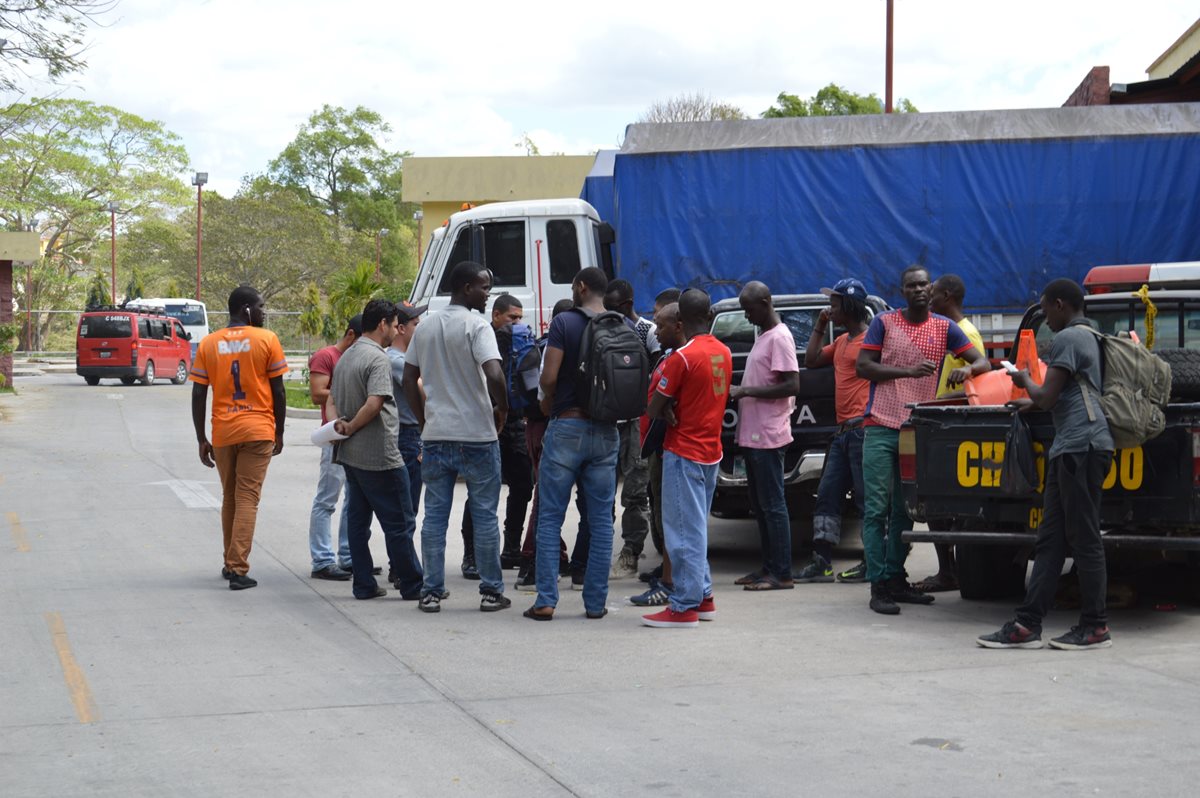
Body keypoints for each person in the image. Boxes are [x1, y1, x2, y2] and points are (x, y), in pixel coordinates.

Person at [978, 278, 1115, 650]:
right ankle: (1027, 624)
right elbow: (1064, 393)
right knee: (1051, 539)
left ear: (1059, 305)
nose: (1045, 321)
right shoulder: (1091, 335)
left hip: (1081, 448)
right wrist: (1033, 400)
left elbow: (1047, 396)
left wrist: (1024, 380)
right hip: (1072, 448)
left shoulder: (1069, 338)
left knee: (1085, 539)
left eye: (1044, 311)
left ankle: (1095, 626)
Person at [856, 265, 988, 614]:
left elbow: (983, 361)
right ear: (902, 290)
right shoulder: (884, 322)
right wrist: (908, 372)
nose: (918, 289)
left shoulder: (945, 328)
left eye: (923, 284)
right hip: (880, 425)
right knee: (877, 510)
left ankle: (895, 578)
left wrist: (968, 369)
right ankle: (878, 585)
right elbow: (863, 366)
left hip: (915, 429)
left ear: (931, 289)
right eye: (911, 285)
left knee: (906, 510)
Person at [404, 261, 512, 614]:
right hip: (477, 435)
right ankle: (491, 592)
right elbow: (494, 372)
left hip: (437, 435)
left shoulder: (426, 327)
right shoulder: (477, 326)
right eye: (484, 287)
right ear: (467, 288)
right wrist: (502, 408)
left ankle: (431, 592)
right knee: (484, 516)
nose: (488, 294)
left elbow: (408, 379)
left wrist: (423, 420)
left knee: (434, 517)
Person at [524, 267, 620, 621]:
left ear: (580, 287)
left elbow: (548, 377)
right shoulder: (620, 324)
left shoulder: (564, 323)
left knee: (550, 516)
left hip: (567, 426)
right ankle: (595, 603)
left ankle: (546, 601)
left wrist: (549, 401)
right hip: (606, 430)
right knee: (601, 521)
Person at [641, 288, 732, 628]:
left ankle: (683, 606)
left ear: (679, 320)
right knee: (695, 529)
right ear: (709, 314)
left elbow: (654, 407)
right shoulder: (723, 350)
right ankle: (703, 595)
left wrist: (667, 407)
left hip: (684, 451)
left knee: (681, 533)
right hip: (710, 451)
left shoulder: (682, 357)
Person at [189, 285, 288, 591]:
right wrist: (279, 431)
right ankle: (238, 568)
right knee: (247, 498)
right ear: (246, 309)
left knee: (230, 496)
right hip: (258, 429)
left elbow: (198, 393)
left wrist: (201, 438)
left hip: (223, 432)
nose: (263, 312)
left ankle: (229, 561)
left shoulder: (209, 343)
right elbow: (278, 390)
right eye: (260, 306)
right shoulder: (267, 340)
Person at [330, 299, 424, 601]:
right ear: (382, 324)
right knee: (400, 522)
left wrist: (338, 426)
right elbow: (374, 404)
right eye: (394, 324)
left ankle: (364, 584)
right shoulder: (378, 358)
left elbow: (331, 400)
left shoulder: (347, 355)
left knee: (358, 523)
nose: (396, 330)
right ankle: (413, 584)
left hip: (351, 455)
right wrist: (351, 427)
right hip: (379, 456)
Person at [913, 274, 987, 594]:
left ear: (947, 296)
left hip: (952, 428)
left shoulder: (965, 333)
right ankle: (949, 570)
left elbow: (977, 381)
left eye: (933, 293)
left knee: (940, 504)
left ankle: (948, 572)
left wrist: (939, 402)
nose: (928, 298)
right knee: (937, 506)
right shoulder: (950, 331)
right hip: (942, 423)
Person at [797, 278, 871, 583]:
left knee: (867, 500)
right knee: (827, 496)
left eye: (835, 305)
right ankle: (822, 563)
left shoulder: (872, 339)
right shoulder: (841, 342)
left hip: (863, 431)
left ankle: (872, 561)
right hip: (842, 433)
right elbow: (811, 360)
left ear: (850, 306)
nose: (831, 310)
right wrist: (819, 325)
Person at [730, 281, 800, 591]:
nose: (747, 316)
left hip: (769, 436)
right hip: (754, 435)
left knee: (773, 505)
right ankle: (768, 567)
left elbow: (792, 385)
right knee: (760, 506)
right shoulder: (765, 336)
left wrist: (746, 391)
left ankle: (782, 573)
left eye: (749, 310)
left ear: (765, 302)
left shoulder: (780, 337)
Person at [460, 293, 534, 577]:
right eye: (512, 317)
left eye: (520, 318)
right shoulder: (482, 338)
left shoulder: (522, 340)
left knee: (523, 486)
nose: (517, 322)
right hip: (485, 422)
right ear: (496, 315)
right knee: (480, 489)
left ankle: (511, 547)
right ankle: (472, 554)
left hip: (515, 424)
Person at [514, 299, 584, 591]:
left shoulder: (539, 345)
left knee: (546, 494)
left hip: (535, 426)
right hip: (551, 426)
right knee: (546, 497)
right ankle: (531, 562)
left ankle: (556, 556)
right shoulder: (565, 347)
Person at [627, 301, 683, 608]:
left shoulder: (681, 359)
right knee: (660, 509)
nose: (655, 331)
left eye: (660, 326)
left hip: (669, 446)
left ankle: (672, 583)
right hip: (656, 444)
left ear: (679, 325)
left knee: (672, 516)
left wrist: (659, 408)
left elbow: (662, 403)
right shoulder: (667, 355)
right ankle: (667, 571)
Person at [605, 278, 660, 578]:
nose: (610, 312)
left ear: (627, 305)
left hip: (636, 423)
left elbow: (659, 373)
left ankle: (631, 552)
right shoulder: (600, 330)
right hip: (606, 423)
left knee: (636, 491)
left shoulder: (648, 331)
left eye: (614, 307)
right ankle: (600, 551)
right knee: (601, 491)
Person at [305, 314, 362, 582]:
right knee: (326, 499)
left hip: (356, 437)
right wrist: (353, 392)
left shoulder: (356, 358)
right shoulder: (326, 356)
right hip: (334, 437)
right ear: (350, 335)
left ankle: (348, 556)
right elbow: (317, 393)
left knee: (354, 500)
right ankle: (322, 560)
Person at [386, 302, 426, 517]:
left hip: (411, 435)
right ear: (401, 328)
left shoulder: (404, 359)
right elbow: (425, 387)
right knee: (407, 510)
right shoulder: (396, 361)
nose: (420, 328)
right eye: (416, 324)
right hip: (408, 435)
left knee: (408, 507)